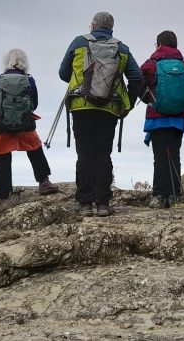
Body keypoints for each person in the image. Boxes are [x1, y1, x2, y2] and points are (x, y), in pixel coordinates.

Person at [59, 11, 142, 217]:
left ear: (93, 25)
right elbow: (137, 78)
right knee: (103, 153)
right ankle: (103, 203)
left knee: (85, 153)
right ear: (111, 27)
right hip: (109, 108)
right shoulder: (121, 48)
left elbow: (63, 73)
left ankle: (85, 204)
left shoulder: (79, 42)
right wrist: (128, 104)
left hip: (81, 105)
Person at [0, 49, 59, 199]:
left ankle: (3, 193)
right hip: (25, 124)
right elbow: (35, 104)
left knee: (2, 156)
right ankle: (44, 182)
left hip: (1, 124)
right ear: (24, 63)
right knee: (35, 149)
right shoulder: (29, 79)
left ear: (7, 63)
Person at [139, 30, 184, 208]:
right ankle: (174, 195)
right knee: (174, 154)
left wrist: (151, 101)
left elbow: (138, 85)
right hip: (179, 118)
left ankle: (159, 196)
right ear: (175, 45)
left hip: (157, 118)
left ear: (158, 44)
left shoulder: (150, 64)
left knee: (159, 156)